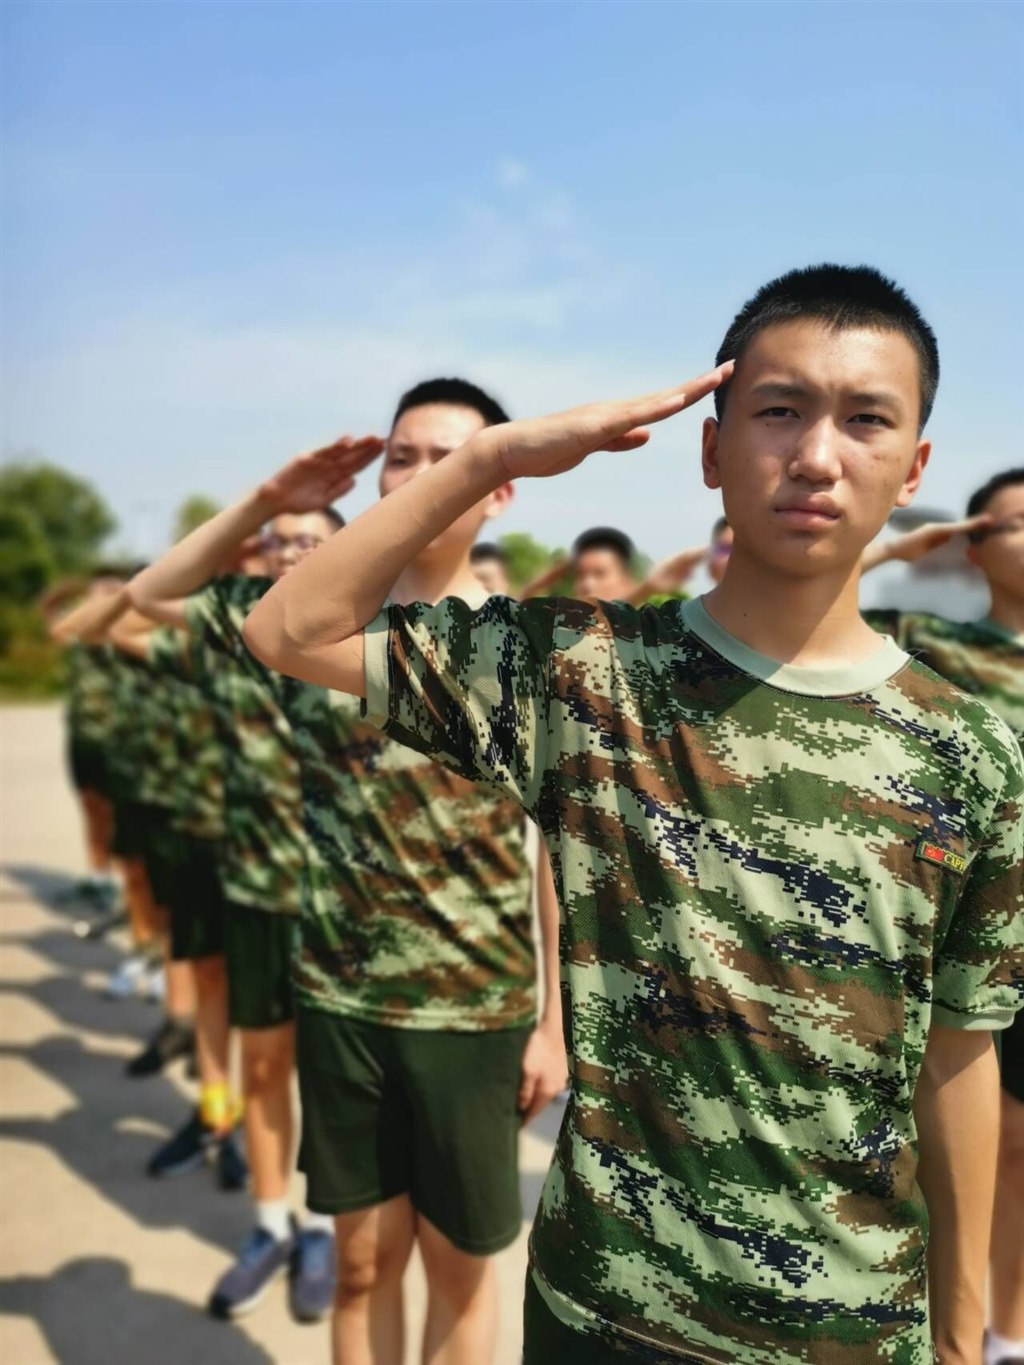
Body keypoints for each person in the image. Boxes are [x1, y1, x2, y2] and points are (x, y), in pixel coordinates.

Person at [246, 264, 1023, 1365]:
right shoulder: (585, 673)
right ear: (710, 449)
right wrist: (487, 458)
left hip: (850, 1326)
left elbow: (959, 1049)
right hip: (602, 1311)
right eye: (778, 411)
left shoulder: (972, 750)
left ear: (914, 469)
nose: (816, 455)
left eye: (865, 419)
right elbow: (288, 631)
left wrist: (958, 1336)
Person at [234, 378, 566, 1365]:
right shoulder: (318, 632)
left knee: (459, 1271)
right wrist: (267, 505)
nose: (422, 477)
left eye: (452, 460)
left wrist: (554, 1022)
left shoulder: (523, 653)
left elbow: (554, 851)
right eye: (403, 459)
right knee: (363, 1261)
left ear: (499, 488)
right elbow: (162, 605)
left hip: (474, 1011)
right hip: (342, 1002)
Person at [129, 481, 385, 1324]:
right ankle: (273, 1224)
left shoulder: (370, 630)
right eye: (278, 539)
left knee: (337, 1082)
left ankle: (324, 1228)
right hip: (256, 891)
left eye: (310, 537)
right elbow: (147, 594)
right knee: (266, 1065)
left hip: (348, 901)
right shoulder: (234, 621)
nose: (290, 549)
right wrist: (260, 503)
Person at [861, 467, 1024, 1365]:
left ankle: (1006, 1332)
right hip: (964, 936)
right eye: (1016, 520)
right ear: (975, 544)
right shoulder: (933, 641)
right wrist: (901, 549)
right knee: (974, 1141)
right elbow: (799, 605)